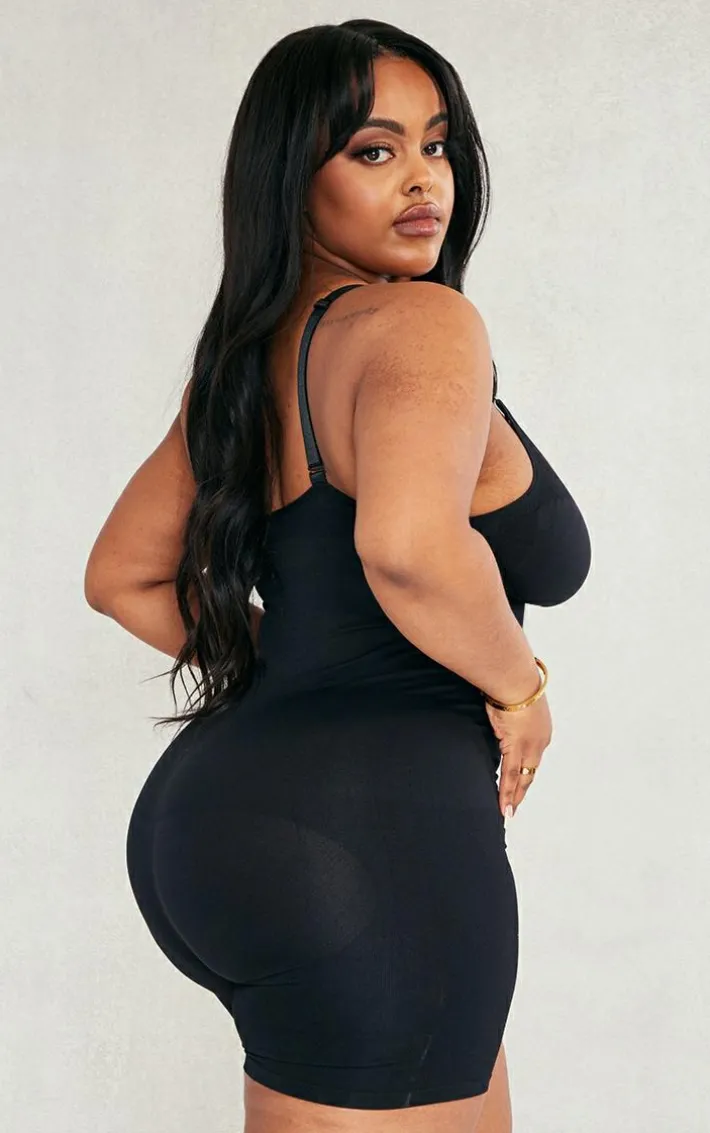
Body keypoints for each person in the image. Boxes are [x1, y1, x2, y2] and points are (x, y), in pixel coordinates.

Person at [84, 19, 591, 1133]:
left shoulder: (246, 364)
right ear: (291, 178)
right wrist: (520, 688)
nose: (422, 178)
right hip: (369, 839)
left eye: (436, 144)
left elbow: (122, 576)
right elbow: (407, 548)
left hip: (224, 827)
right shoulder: (423, 322)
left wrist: (296, 664)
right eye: (372, 149)